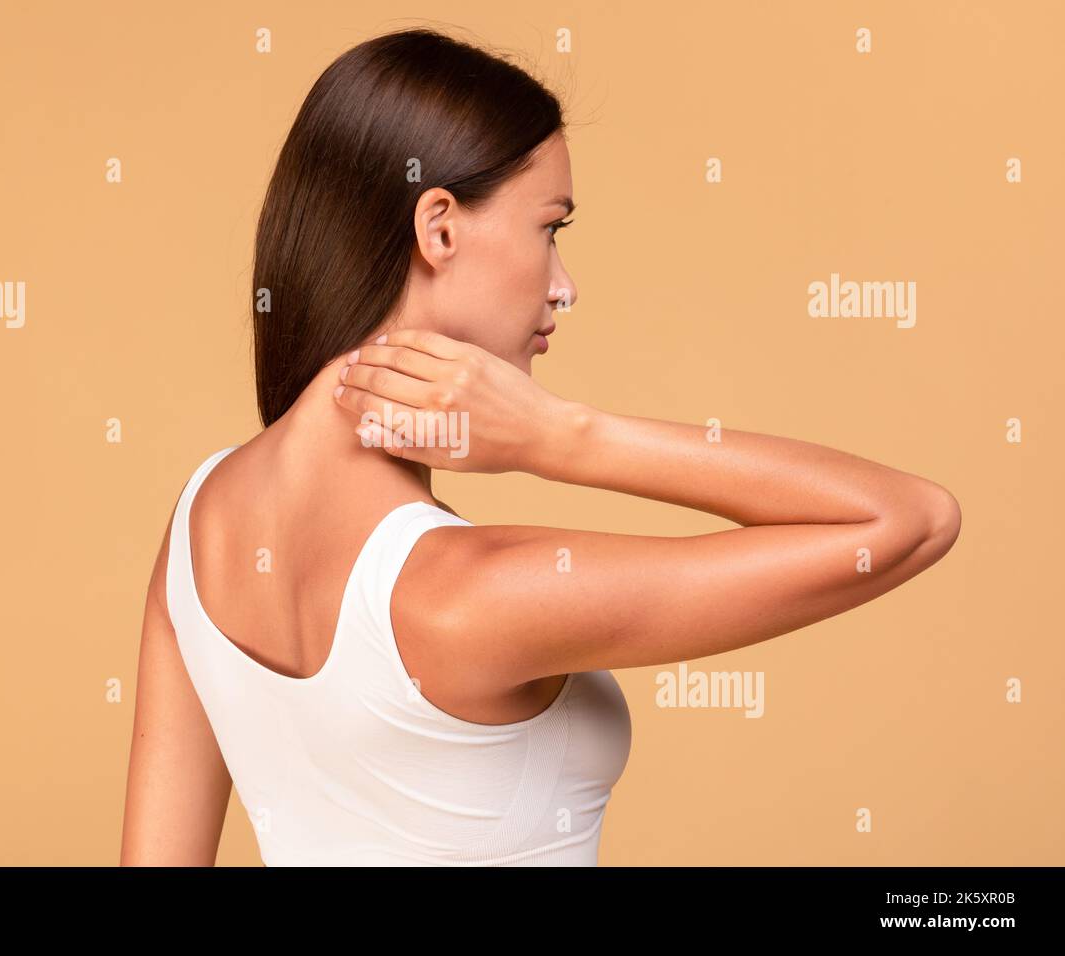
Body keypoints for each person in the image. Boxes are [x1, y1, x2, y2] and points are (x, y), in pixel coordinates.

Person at [120, 28, 961, 866]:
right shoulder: (470, 592)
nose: (564, 285)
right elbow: (910, 519)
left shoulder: (200, 529)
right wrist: (560, 434)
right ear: (439, 227)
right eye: (550, 227)